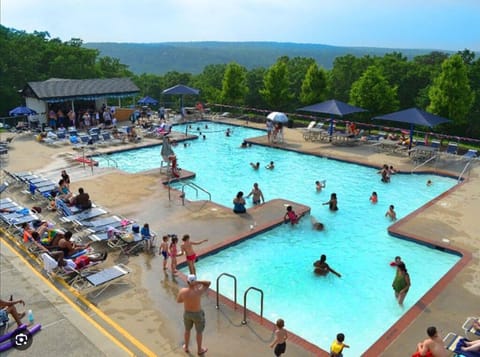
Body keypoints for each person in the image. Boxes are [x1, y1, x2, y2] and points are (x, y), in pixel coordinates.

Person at [176, 274, 210, 355]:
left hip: (187, 313)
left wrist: (187, 300)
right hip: (197, 314)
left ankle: (186, 347)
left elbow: (178, 301)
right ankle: (199, 350)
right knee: (199, 332)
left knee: (187, 330)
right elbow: (208, 283)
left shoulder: (183, 291)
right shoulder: (199, 291)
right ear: (195, 282)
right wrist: (197, 282)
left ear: (187, 282)